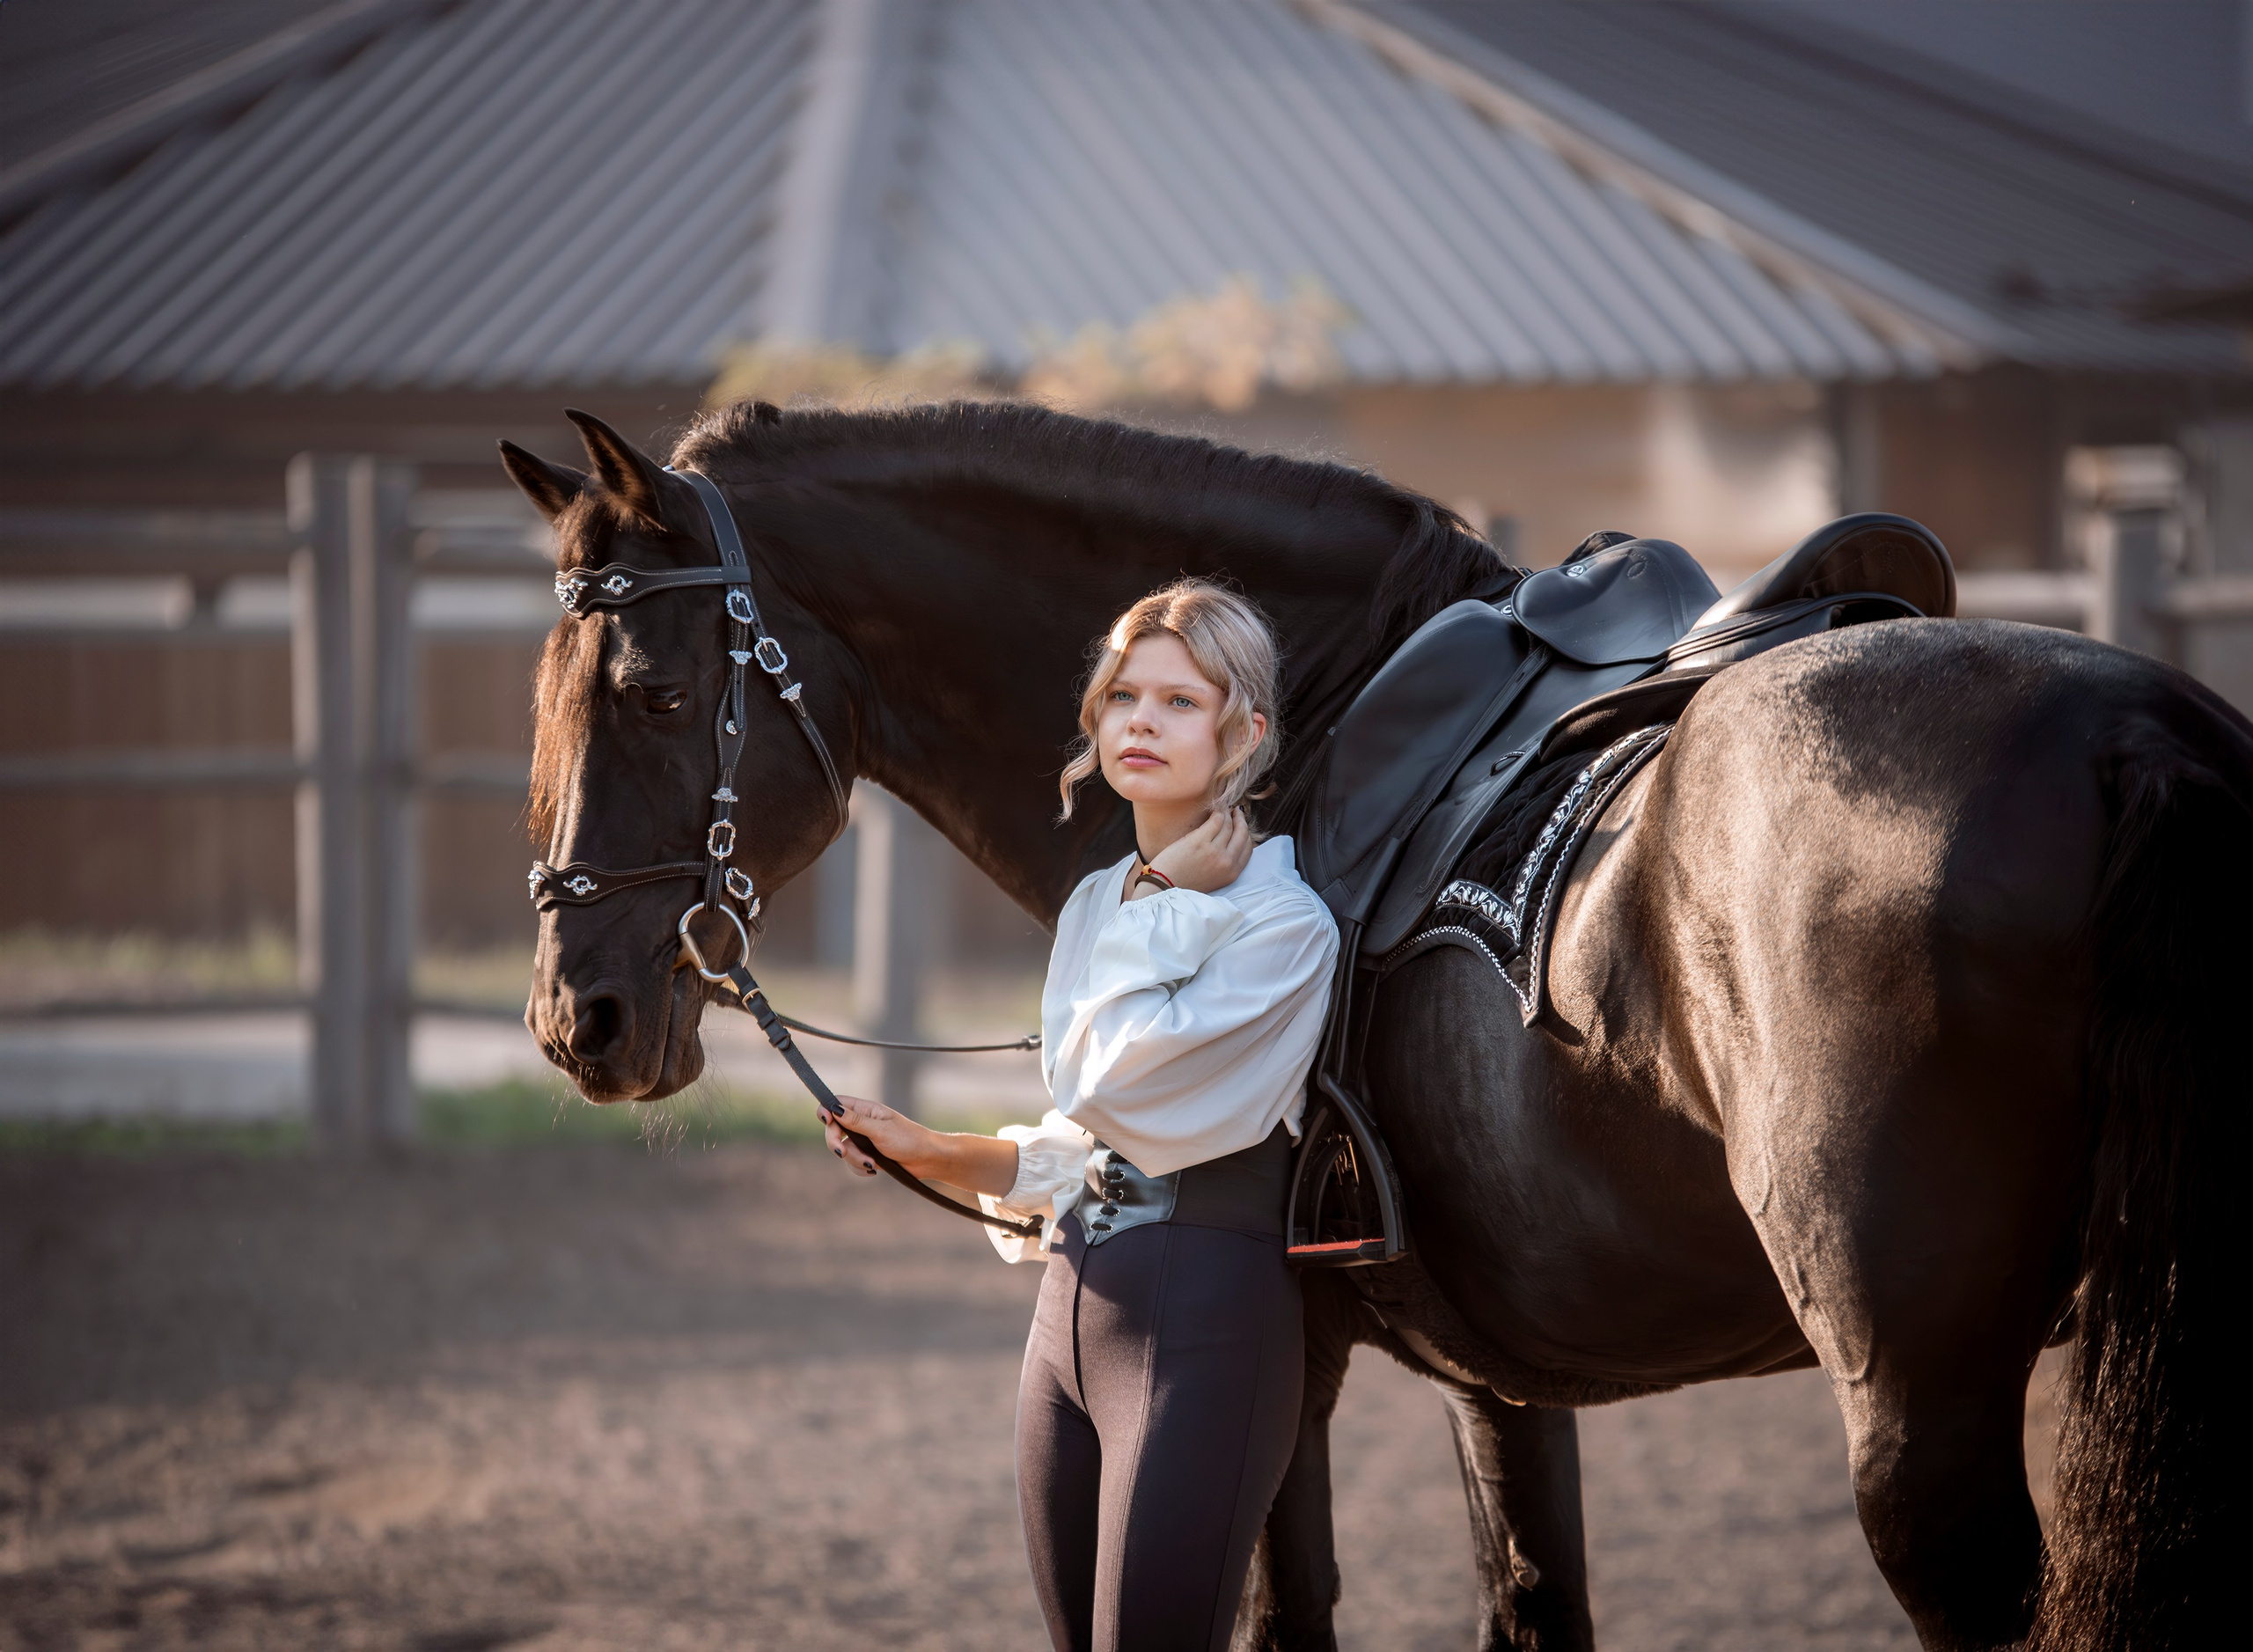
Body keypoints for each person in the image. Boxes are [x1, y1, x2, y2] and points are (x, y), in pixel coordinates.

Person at [820, 578, 1340, 1652]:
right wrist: (937, 1150)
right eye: (1122, 695)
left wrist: (1162, 904)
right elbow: (1091, 1130)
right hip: (1064, 1316)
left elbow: (1107, 1080)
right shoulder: (1100, 899)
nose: (1141, 720)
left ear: (1245, 730)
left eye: (1181, 701)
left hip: (1205, 1326)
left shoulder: (1285, 925)